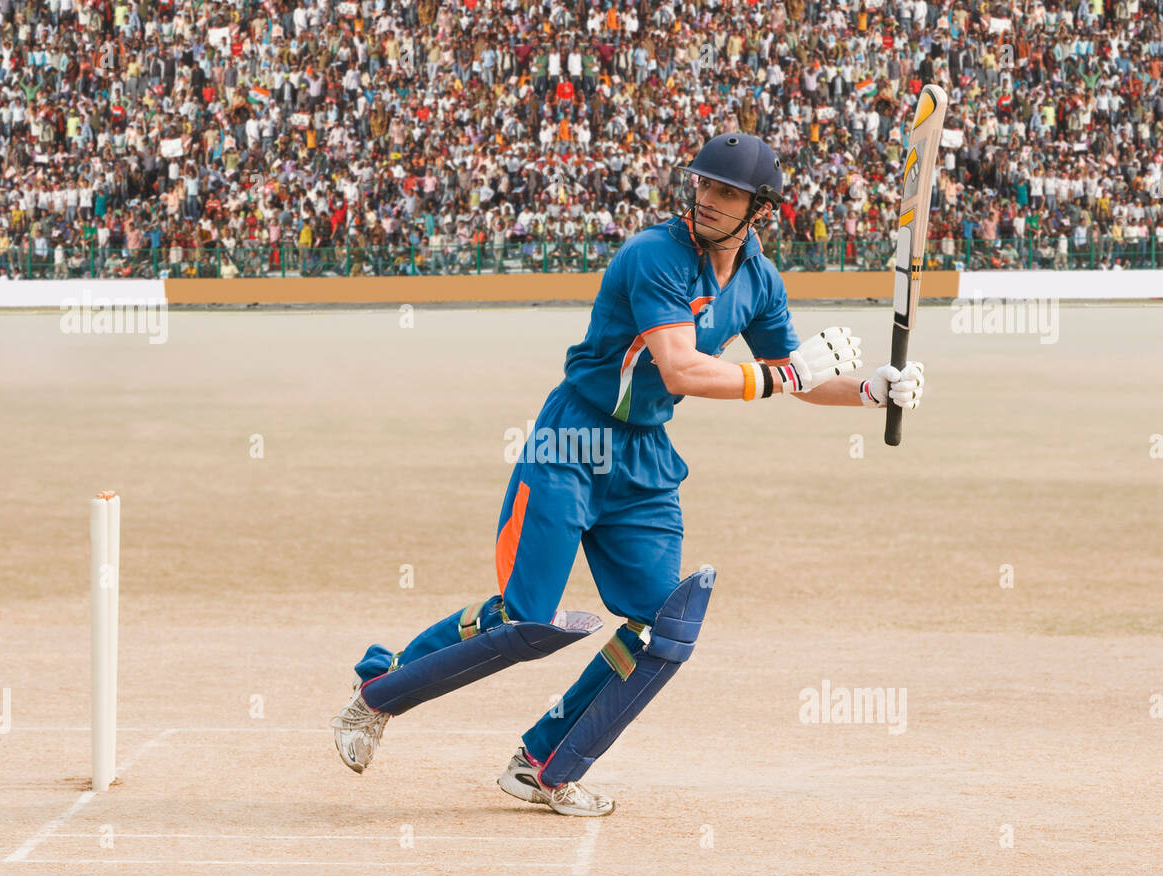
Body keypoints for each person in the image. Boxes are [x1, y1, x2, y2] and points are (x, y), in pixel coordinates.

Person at [332, 134, 926, 816]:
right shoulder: (654, 256)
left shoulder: (759, 279)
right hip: (573, 438)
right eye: (703, 183)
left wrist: (867, 390)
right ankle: (376, 692)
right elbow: (682, 368)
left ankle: (544, 764)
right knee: (524, 620)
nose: (707, 198)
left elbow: (796, 374)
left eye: (727, 192)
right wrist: (783, 373)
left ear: (759, 207)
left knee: (661, 627)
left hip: (643, 458)